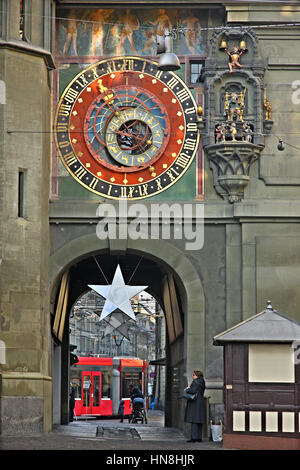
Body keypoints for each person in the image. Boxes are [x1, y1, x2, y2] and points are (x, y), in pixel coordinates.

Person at [184, 370, 206, 443]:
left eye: (194, 375)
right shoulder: (202, 381)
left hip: (195, 402)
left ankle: (194, 438)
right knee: (199, 420)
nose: (193, 376)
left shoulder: (195, 382)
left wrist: (187, 389)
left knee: (194, 420)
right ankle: (199, 438)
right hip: (201, 401)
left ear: (197, 376)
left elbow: (192, 391)